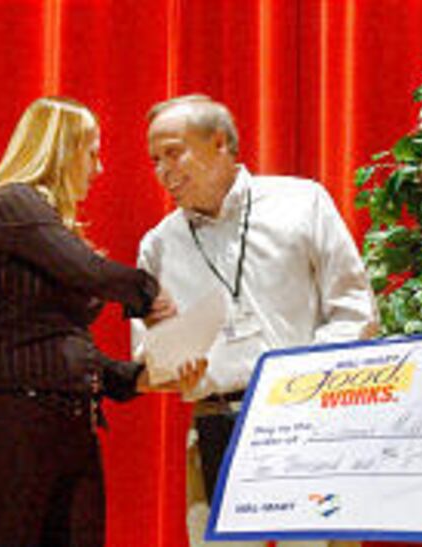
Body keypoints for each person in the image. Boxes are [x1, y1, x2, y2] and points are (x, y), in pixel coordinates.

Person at [0, 96, 200, 547]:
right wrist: (149, 292)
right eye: (92, 152)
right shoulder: (11, 204)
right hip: (10, 422)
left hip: (68, 423)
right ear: (62, 151)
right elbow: (89, 273)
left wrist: (140, 376)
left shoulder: (43, 225)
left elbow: (61, 341)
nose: (98, 168)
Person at [132, 94, 378, 546]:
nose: (163, 170)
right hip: (216, 420)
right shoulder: (158, 246)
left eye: (173, 152)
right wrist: (170, 367)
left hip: (309, 417)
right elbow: (147, 357)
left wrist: (298, 378)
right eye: (155, 160)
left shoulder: (302, 203)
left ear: (220, 143)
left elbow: (355, 310)